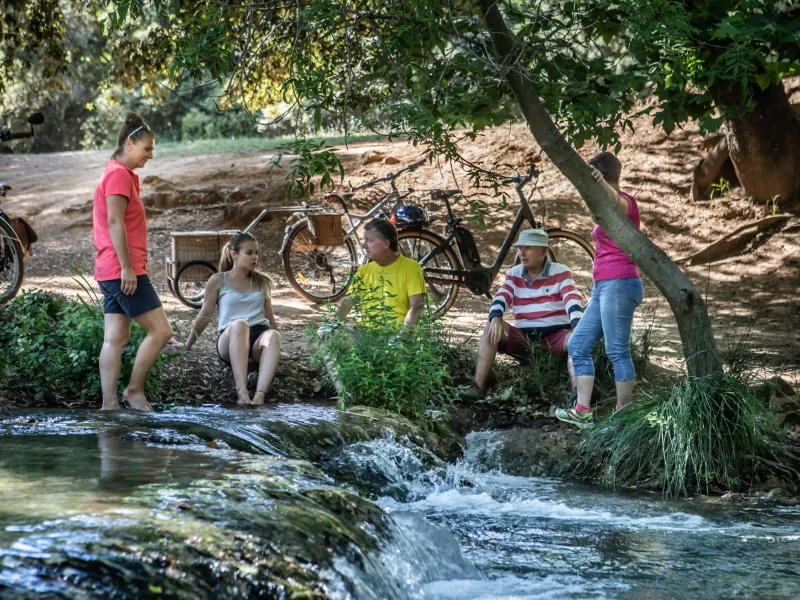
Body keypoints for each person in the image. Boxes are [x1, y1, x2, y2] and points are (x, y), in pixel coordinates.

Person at [557, 152, 644, 428]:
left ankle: (624, 414)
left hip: (620, 283)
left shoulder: (626, 202)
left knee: (617, 349)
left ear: (602, 177)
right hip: (602, 287)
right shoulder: (604, 206)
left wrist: (601, 183)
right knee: (578, 344)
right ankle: (582, 410)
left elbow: (618, 201)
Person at [94, 112, 173, 412]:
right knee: (162, 331)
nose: (150, 155)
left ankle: (109, 406)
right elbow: (115, 221)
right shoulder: (117, 175)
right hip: (120, 270)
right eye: (147, 148)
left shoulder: (119, 173)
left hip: (110, 269)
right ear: (130, 144)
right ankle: (133, 390)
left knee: (115, 338)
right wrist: (129, 267)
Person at [463, 229, 584, 399]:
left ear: (543, 251)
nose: (522, 253)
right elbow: (501, 297)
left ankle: (578, 393)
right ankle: (478, 386)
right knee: (491, 326)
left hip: (556, 336)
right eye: (520, 248)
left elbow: (572, 299)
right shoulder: (513, 274)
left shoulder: (560, 271)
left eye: (528, 248)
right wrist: (496, 317)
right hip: (524, 338)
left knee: (576, 339)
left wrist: (577, 324)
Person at [173, 231, 280, 406]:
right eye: (249, 253)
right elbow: (204, 315)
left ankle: (260, 396)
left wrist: (275, 350)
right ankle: (242, 392)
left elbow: (269, 317)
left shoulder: (263, 282)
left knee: (274, 335)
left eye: (256, 253)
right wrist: (188, 344)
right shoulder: (218, 280)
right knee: (240, 324)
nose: (255, 257)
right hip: (231, 339)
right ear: (234, 254)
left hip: (257, 340)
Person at [333, 219, 426, 329]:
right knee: (328, 335)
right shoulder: (364, 270)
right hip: (367, 336)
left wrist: (402, 340)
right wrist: (332, 324)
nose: (364, 246)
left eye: (369, 241)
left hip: (396, 336)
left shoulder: (411, 267)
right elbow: (347, 302)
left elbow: (416, 307)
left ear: (385, 244)